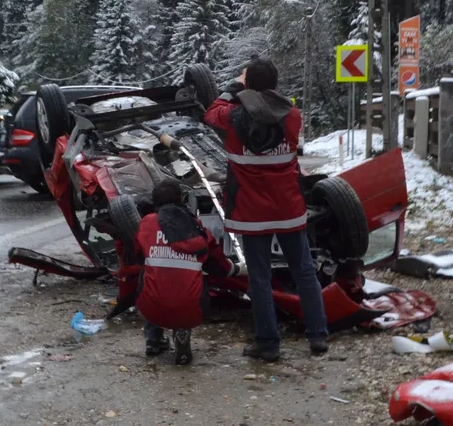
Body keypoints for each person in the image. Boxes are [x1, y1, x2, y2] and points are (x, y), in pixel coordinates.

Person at [204, 57, 328, 363]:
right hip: (289, 209)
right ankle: (317, 335)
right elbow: (275, 107)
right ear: (274, 84)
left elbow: (210, 113)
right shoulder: (293, 116)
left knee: (259, 276)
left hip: (251, 213)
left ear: (248, 84)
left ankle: (268, 343)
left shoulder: (231, 116)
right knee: (304, 271)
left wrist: (236, 85)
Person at [128, 179, 245, 366]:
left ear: (155, 203)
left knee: (149, 273)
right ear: (182, 200)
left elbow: (137, 257)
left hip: (152, 308)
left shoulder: (147, 224)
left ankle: (154, 340)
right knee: (191, 279)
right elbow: (219, 268)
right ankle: (182, 331)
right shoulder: (197, 227)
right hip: (192, 310)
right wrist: (237, 268)